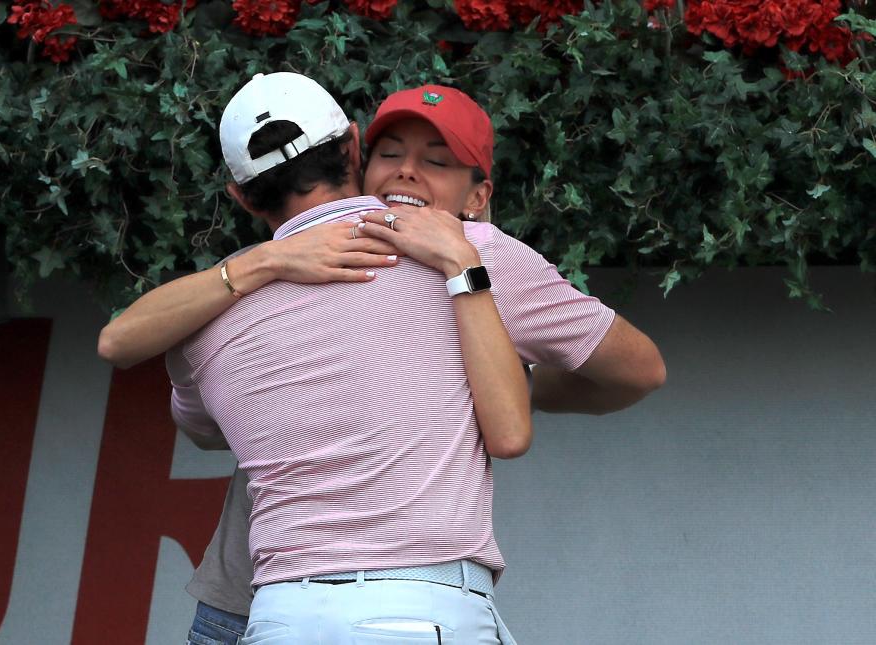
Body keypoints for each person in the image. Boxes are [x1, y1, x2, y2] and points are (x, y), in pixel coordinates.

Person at [161, 73, 664, 644]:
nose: (406, 171)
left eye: (439, 161)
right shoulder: (273, 265)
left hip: (295, 609)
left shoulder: (480, 261)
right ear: (356, 160)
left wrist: (508, 377)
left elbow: (637, 369)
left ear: (479, 197)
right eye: (391, 153)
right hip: (278, 599)